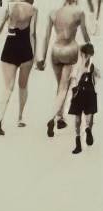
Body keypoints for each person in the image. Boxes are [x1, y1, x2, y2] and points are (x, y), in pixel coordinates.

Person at [38, 0, 90, 131]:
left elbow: (47, 36)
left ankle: (61, 117)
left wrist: (42, 58)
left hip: (56, 50)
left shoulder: (54, 13)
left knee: (60, 86)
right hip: (70, 50)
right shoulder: (79, 12)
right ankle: (52, 117)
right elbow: (84, 34)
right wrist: (89, 48)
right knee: (63, 88)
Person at [0, 0, 37, 130]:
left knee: (8, 87)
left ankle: (0, 118)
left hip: (10, 46)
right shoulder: (33, 9)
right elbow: (32, 34)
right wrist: (35, 54)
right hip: (25, 48)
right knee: (23, 86)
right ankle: (20, 117)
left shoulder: (9, 6)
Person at [68, 40, 96, 146]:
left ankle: (78, 140)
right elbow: (97, 78)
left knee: (78, 117)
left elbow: (73, 79)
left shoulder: (77, 65)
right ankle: (88, 128)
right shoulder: (92, 65)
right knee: (90, 114)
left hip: (79, 92)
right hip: (90, 91)